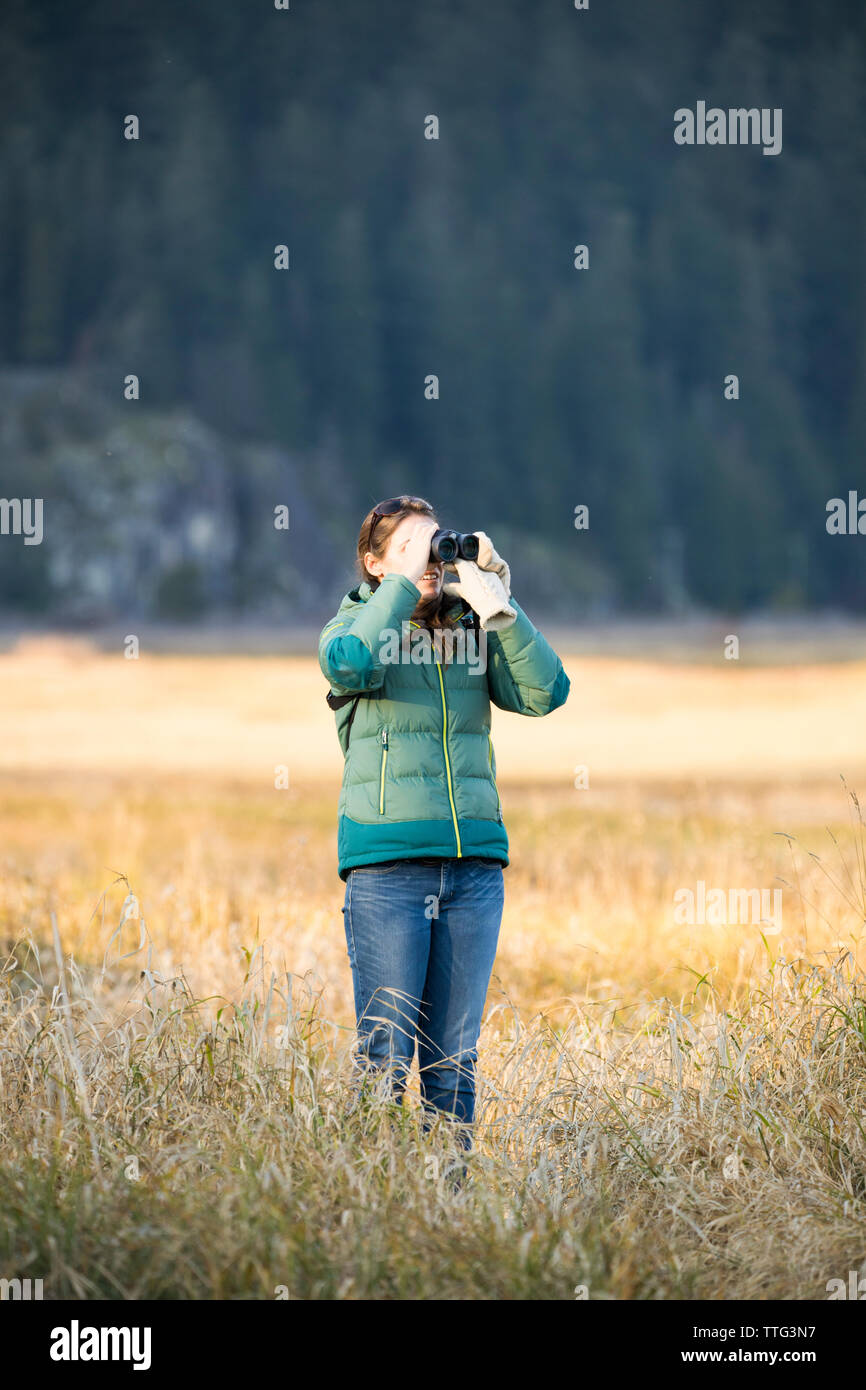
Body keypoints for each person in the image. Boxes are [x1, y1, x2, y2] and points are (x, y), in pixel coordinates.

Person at [318, 495, 570, 1162]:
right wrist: (398, 588)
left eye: (435, 545)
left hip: (473, 870)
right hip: (389, 870)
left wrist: (502, 608)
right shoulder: (353, 626)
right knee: (385, 1050)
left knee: (453, 1056)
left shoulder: (470, 628)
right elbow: (346, 664)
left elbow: (546, 693)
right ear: (373, 563)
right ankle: (364, 1199)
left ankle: (446, 1204)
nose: (429, 561)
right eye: (409, 549)